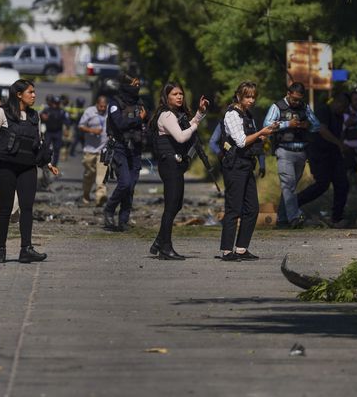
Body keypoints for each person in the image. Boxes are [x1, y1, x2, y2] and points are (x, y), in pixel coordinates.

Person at [0, 79, 59, 263]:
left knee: (26, 208)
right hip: (6, 167)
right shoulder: (2, 112)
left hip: (27, 167)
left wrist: (47, 164)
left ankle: (26, 249)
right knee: (6, 208)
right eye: (30, 92)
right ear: (19, 95)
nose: (34, 95)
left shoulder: (35, 116)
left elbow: (38, 144)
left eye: (34, 92)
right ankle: (0, 250)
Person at [218, 81, 278, 261]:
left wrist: (266, 132)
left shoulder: (248, 115)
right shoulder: (232, 114)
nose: (251, 100)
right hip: (234, 165)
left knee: (252, 208)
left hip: (246, 165)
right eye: (247, 96)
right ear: (238, 96)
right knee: (233, 208)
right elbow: (242, 141)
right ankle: (227, 251)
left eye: (253, 97)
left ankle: (242, 248)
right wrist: (262, 132)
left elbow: (253, 140)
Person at [149, 82, 209, 260]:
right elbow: (182, 136)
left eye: (181, 93)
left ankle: (160, 241)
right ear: (166, 97)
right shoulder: (166, 115)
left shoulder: (173, 115)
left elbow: (185, 127)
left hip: (174, 165)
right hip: (169, 164)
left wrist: (199, 113)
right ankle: (165, 248)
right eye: (175, 94)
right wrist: (195, 126)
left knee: (176, 204)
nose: (179, 97)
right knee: (171, 206)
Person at [263, 82, 320, 228]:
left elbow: (317, 125)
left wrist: (307, 125)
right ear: (288, 94)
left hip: (301, 153)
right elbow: (266, 126)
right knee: (288, 185)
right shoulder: (277, 107)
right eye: (294, 99)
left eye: (299, 99)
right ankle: (295, 217)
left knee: (290, 187)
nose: (296, 102)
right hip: (284, 151)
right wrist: (287, 124)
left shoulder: (305, 107)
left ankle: (282, 219)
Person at [296, 93, 351, 228]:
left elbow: (339, 133)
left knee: (342, 183)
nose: (343, 110)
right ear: (337, 102)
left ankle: (336, 217)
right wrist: (339, 144)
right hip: (319, 153)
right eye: (342, 107)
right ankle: (294, 204)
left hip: (333, 154)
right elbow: (322, 130)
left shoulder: (339, 117)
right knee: (322, 184)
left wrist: (341, 145)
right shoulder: (323, 110)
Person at [103, 76, 147, 232]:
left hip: (135, 149)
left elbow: (145, 124)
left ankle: (123, 220)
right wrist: (138, 119)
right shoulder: (115, 104)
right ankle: (109, 209)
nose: (136, 87)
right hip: (119, 148)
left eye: (138, 84)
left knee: (131, 186)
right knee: (125, 183)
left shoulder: (139, 103)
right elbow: (120, 124)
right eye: (133, 85)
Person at [79, 95, 109, 206]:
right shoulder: (89, 112)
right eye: (100, 106)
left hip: (103, 150)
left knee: (102, 175)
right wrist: (92, 130)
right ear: (97, 104)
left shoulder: (109, 112)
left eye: (104, 106)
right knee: (89, 174)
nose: (102, 108)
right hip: (90, 150)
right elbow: (81, 126)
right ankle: (86, 194)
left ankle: (100, 197)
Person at [40, 96, 69, 167]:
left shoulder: (62, 111)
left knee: (57, 149)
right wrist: (42, 117)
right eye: (54, 103)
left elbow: (67, 122)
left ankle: (54, 165)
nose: (55, 105)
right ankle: (45, 163)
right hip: (49, 132)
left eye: (57, 103)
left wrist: (67, 128)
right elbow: (40, 118)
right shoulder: (47, 110)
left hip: (58, 132)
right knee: (45, 148)